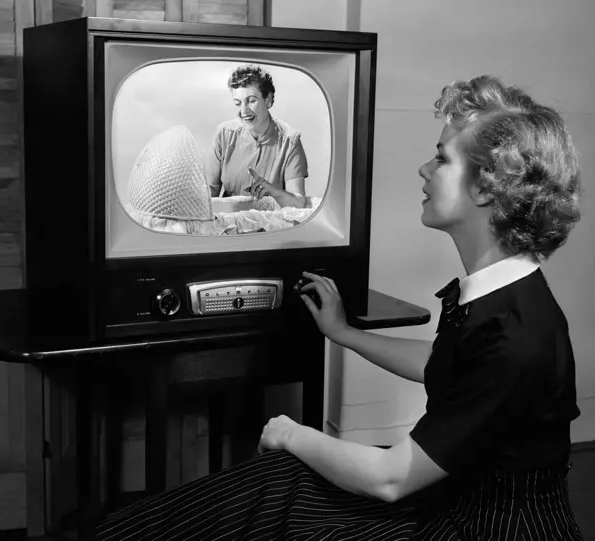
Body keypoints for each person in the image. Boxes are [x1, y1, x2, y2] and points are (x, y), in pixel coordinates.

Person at [95, 75, 584, 540]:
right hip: (452, 499)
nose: (424, 169)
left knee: (289, 481)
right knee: (281, 482)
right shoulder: (504, 297)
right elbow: (449, 368)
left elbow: (390, 478)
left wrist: (291, 433)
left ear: (486, 187)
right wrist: (344, 332)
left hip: (479, 528)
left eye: (441, 159)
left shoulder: (517, 334)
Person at [206, 64, 310, 209]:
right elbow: (210, 193)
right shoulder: (223, 134)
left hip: (270, 226)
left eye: (251, 101)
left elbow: (299, 202)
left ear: (268, 99)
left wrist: (274, 192)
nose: (243, 111)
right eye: (238, 103)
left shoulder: (290, 142)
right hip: (228, 223)